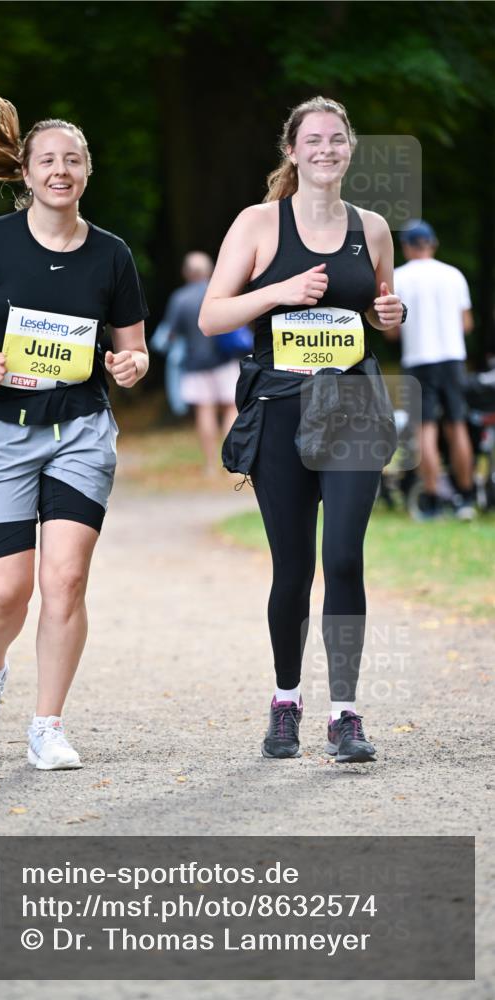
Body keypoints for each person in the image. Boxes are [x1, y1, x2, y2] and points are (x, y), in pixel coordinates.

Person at [0, 81, 149, 770]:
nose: (60, 170)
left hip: (79, 428)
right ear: (25, 171)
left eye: (73, 159)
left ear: (86, 171)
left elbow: (133, 345)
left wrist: (130, 365)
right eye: (48, 159)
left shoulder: (112, 254)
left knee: (64, 582)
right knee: (4, 592)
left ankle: (48, 724)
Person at [199, 96, 404, 764]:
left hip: (350, 407)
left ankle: (344, 713)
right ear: (291, 150)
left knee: (343, 557)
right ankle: (285, 701)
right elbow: (211, 315)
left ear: (348, 149)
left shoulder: (370, 228)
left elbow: (379, 313)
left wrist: (388, 314)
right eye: (311, 140)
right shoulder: (258, 224)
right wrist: (277, 293)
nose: (324, 149)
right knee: (293, 568)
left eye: (335, 139)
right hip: (280, 408)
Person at [388, 219, 475, 521]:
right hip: (452, 357)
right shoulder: (454, 275)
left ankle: (434, 497)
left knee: (425, 428)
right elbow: (466, 324)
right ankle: (465, 497)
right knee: (457, 425)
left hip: (418, 359)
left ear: (407, 247)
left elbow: (391, 332)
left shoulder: (399, 278)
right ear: (433, 244)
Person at [160, 252, 240, 474]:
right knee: (231, 408)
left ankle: (210, 465)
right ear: (211, 270)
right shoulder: (222, 294)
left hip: (194, 364)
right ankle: (233, 462)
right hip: (225, 360)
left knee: (204, 410)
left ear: (186, 272)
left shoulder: (179, 299)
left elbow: (171, 335)